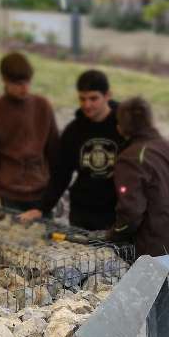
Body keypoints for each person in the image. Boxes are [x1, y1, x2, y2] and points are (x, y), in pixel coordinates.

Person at [19, 69, 124, 231]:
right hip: (82, 212)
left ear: (108, 95)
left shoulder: (124, 127)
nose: (87, 105)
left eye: (93, 98)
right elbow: (61, 174)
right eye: (82, 99)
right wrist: (42, 207)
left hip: (116, 213)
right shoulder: (73, 131)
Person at [111, 98, 169, 259]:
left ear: (120, 128)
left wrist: (114, 233)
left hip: (160, 256)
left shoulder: (131, 158)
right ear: (150, 121)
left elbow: (131, 213)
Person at [0, 52, 59, 212]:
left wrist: (55, 191)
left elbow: (55, 152)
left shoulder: (43, 106)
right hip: (9, 195)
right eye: (18, 83)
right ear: (4, 80)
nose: (25, 88)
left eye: (27, 82)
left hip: (41, 192)